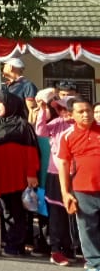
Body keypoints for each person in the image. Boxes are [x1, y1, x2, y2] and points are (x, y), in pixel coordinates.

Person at [0, 90, 40, 256]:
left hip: (17, 176)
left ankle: (17, 245)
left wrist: (31, 174)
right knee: (4, 210)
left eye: (1, 103)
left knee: (17, 211)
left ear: (11, 104)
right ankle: (8, 242)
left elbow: (31, 151)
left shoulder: (22, 125)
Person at [58, 97, 100, 271]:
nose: (86, 114)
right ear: (71, 115)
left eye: (88, 110)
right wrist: (65, 192)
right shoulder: (67, 136)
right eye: (81, 112)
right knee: (87, 228)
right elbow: (63, 164)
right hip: (83, 189)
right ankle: (94, 263)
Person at [36, 91, 77, 266]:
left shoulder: (80, 125)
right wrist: (42, 111)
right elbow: (40, 130)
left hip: (76, 174)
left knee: (75, 213)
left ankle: (71, 248)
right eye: (60, 109)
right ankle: (55, 249)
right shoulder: (57, 123)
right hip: (55, 173)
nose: (63, 112)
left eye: (66, 109)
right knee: (56, 213)